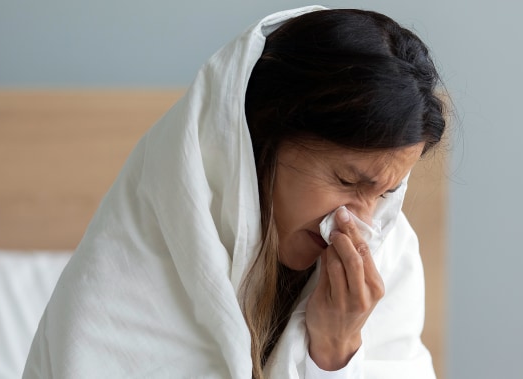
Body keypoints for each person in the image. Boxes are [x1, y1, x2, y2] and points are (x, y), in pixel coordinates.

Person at [23, 5, 447, 379]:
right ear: (259, 139)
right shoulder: (112, 299)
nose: (360, 221)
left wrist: (335, 352)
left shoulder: (388, 260)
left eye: (385, 194)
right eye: (348, 181)